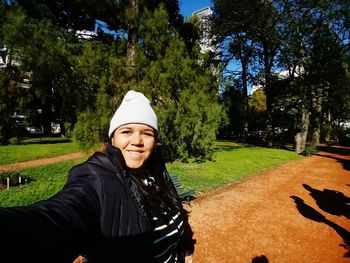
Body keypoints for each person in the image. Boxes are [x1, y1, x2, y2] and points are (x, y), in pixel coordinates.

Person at [0, 90, 195, 263]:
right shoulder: (96, 177)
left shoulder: (156, 170)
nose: (137, 141)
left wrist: (185, 248)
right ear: (113, 139)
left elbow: (176, 209)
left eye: (147, 133)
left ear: (155, 140)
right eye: (127, 132)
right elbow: (61, 216)